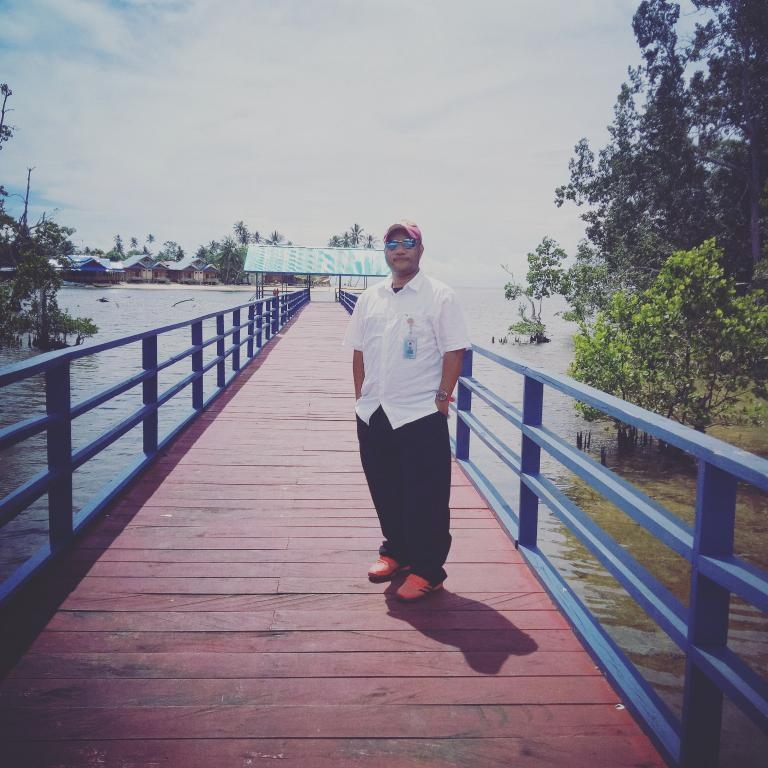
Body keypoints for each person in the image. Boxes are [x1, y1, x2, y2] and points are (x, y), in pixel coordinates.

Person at [343, 220, 470, 602]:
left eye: (408, 243)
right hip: (375, 411)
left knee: (426, 495)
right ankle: (396, 552)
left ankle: (428, 570)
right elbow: (359, 351)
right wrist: (361, 399)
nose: (400, 249)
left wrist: (442, 398)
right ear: (385, 251)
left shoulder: (440, 296)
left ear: (420, 250)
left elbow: (455, 350)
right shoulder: (370, 298)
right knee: (385, 487)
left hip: (419, 412)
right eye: (392, 243)